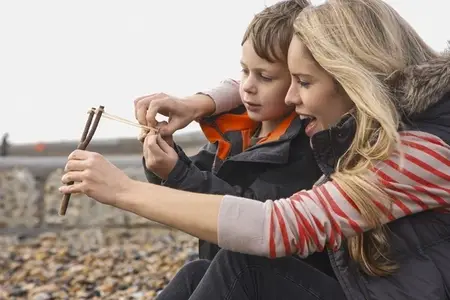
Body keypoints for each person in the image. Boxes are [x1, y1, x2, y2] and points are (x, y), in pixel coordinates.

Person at [59, 0, 450, 299]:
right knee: (200, 271)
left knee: (244, 266)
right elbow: (253, 83)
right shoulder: (398, 127)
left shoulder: (415, 153)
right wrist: (201, 103)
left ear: (353, 80)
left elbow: (279, 227)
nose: (292, 97)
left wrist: (124, 190)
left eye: (304, 82)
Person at [141, 0, 324, 263]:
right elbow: (192, 182)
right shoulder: (238, 130)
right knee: (193, 271)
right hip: (220, 269)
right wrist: (163, 155)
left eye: (265, 77)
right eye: (245, 71)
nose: (247, 86)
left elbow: (248, 216)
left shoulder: (305, 146)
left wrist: (177, 173)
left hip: (261, 279)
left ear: (299, 78)